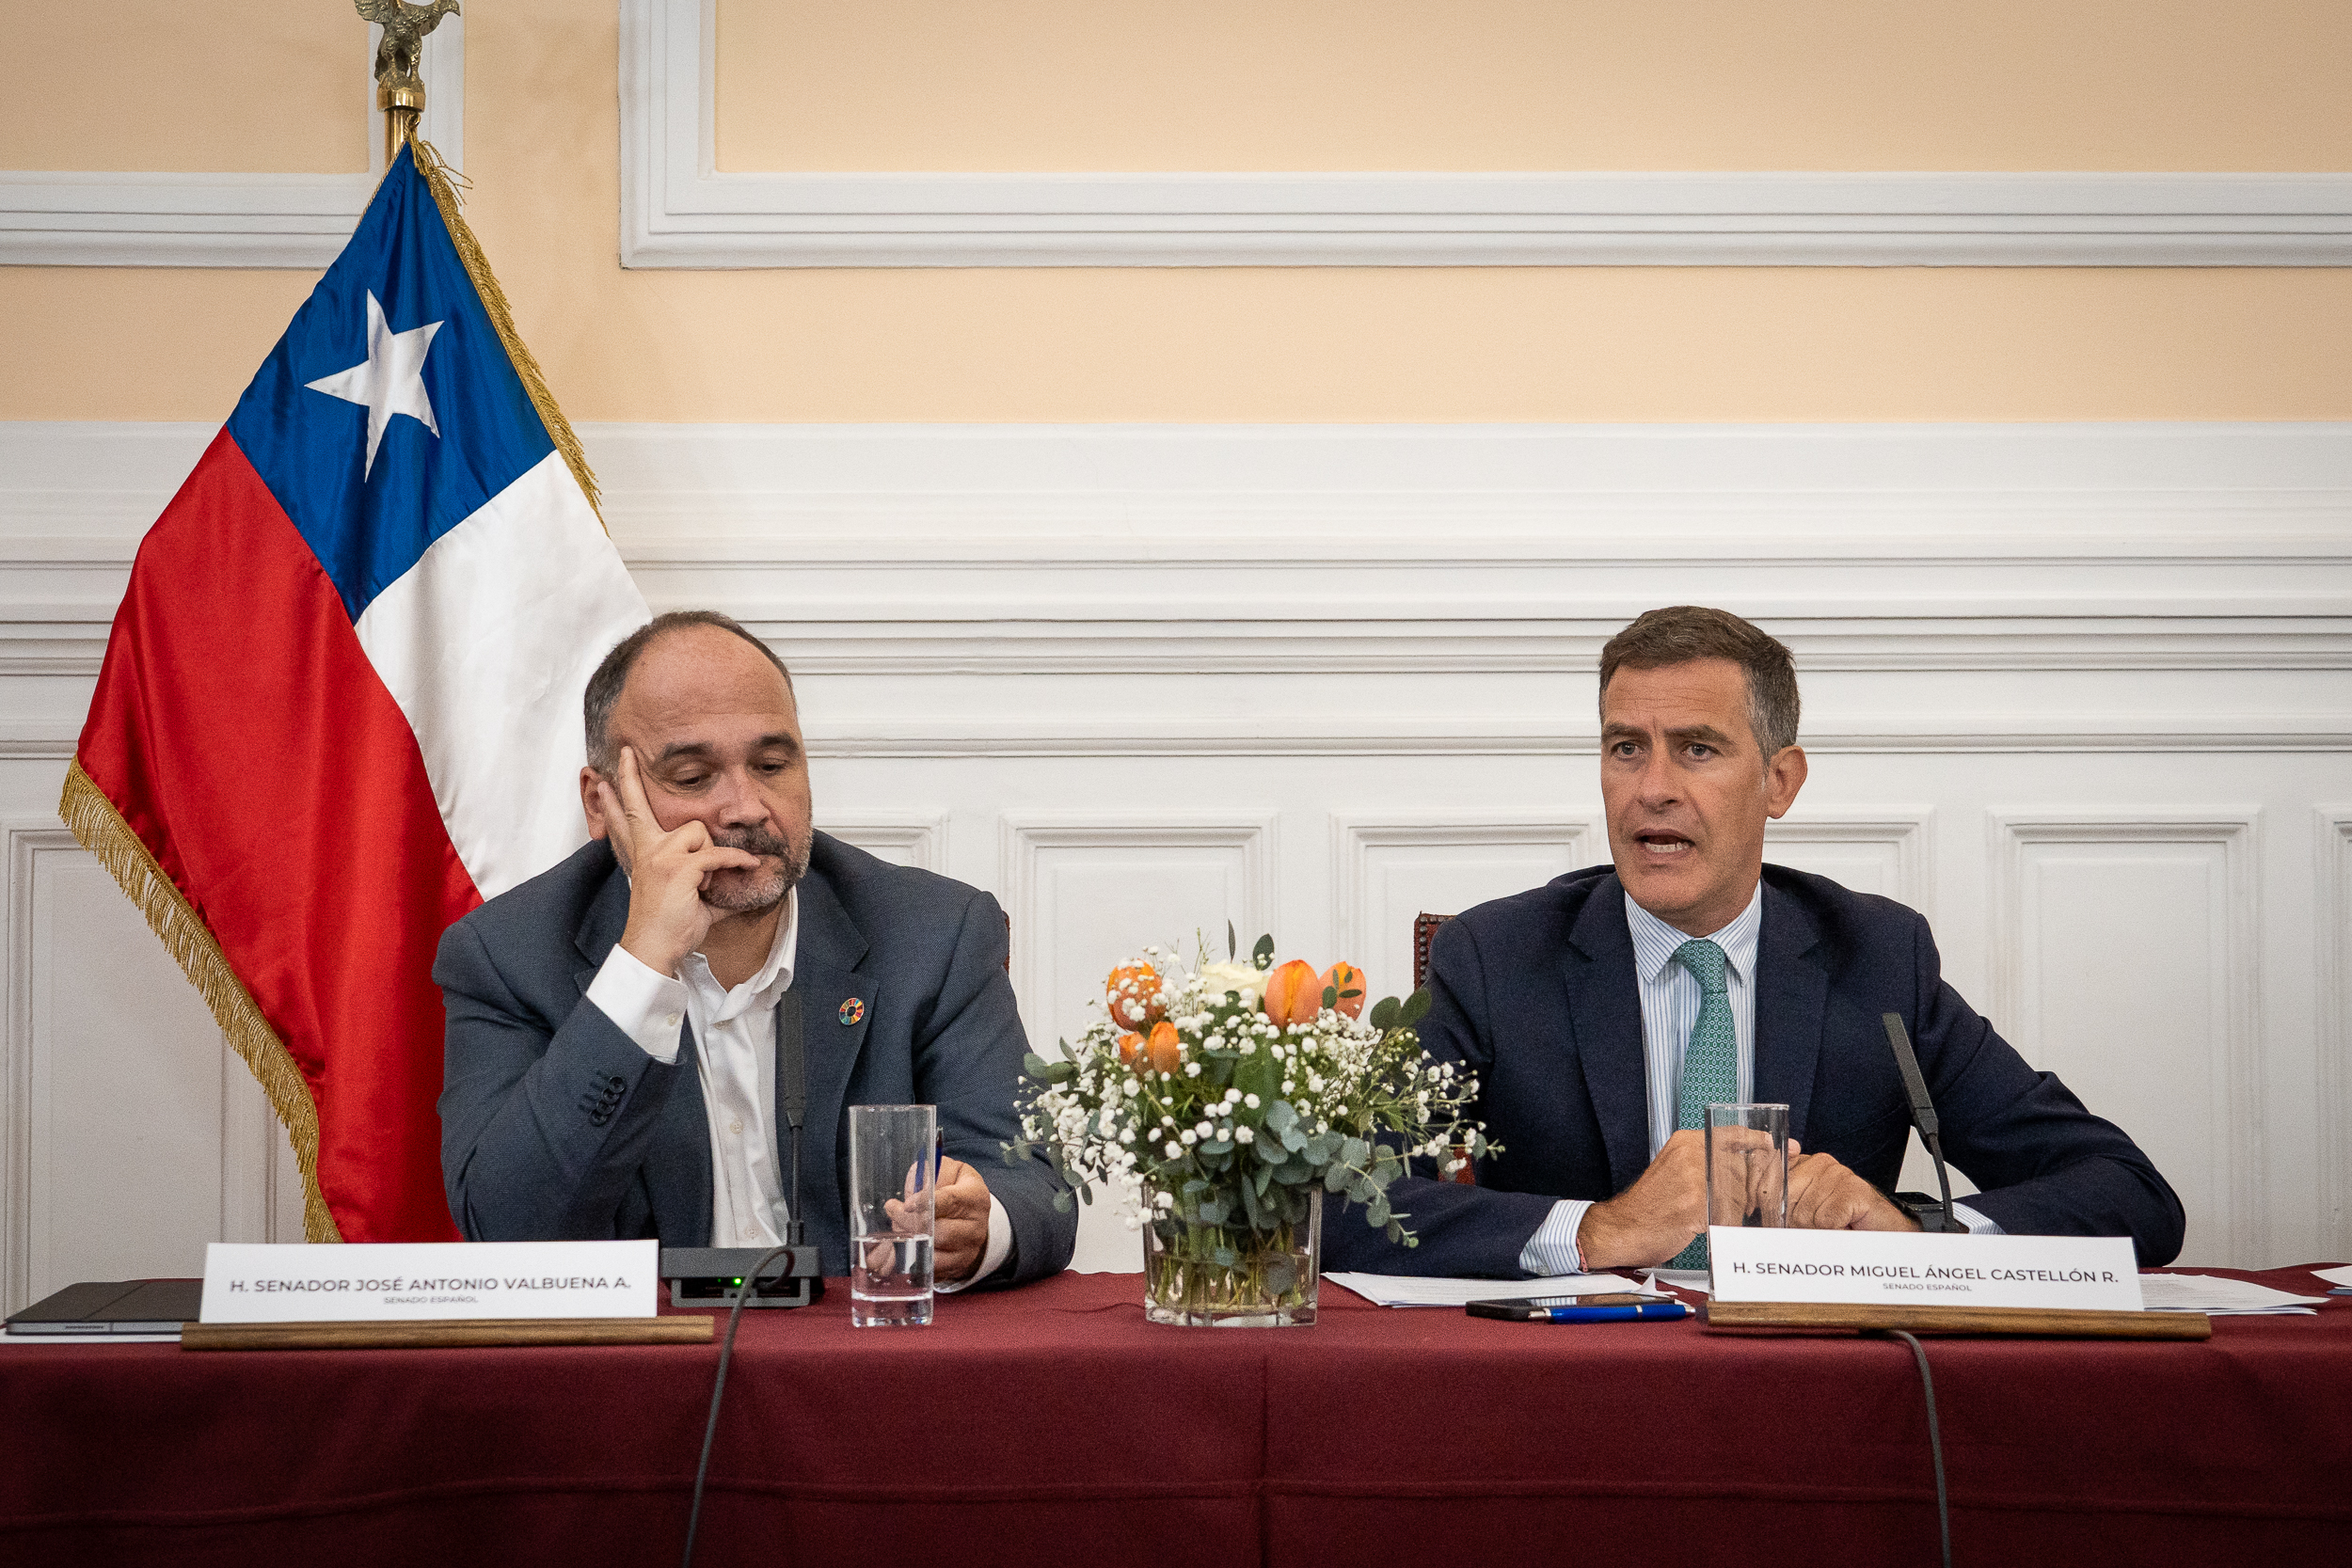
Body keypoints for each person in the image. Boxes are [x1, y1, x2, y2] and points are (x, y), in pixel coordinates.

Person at [1325, 605, 2184, 1277]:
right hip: (1583, 1388)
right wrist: (1600, 1228)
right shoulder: (1496, 958)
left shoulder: (1877, 958)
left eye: (1697, 749)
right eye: (1627, 748)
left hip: (1830, 1399)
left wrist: (1919, 1231)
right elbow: (1336, 1202)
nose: (1651, 789)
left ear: (1780, 781)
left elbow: (2131, 1193)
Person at [437, 610, 1074, 1286]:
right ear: (602, 802)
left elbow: (1033, 1186)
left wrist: (977, 1227)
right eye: (692, 776)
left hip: (864, 1363)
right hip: (643, 1372)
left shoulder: (933, 933)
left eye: (772, 764)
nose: (746, 806)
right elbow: (508, 1226)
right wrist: (641, 968)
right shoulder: (506, 956)